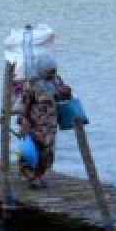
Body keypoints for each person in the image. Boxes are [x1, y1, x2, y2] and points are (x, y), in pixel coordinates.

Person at [18, 54, 72, 189]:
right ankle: (31, 177)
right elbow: (25, 104)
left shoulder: (57, 80)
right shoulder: (31, 84)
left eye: (54, 70)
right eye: (50, 71)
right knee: (31, 152)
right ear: (42, 70)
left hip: (50, 125)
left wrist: (67, 92)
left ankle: (40, 176)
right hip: (35, 125)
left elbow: (63, 97)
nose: (53, 73)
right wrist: (24, 121)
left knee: (47, 153)